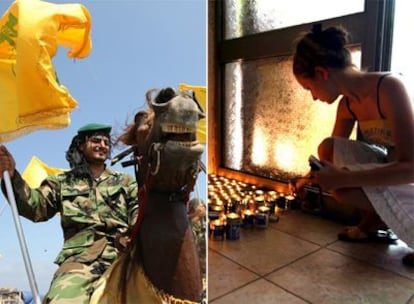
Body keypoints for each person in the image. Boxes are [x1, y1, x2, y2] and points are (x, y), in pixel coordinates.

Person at [292, 25, 414, 266]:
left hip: (408, 173)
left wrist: (344, 177)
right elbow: (328, 162)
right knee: (328, 150)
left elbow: (411, 167)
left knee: (341, 183)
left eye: (309, 88)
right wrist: (308, 179)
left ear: (322, 72)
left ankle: (377, 221)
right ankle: (376, 220)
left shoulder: (389, 88)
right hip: (391, 168)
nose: (313, 97)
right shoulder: (347, 106)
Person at [0, 123, 138, 303]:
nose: (102, 145)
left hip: (125, 256)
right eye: (96, 140)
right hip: (81, 260)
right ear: (81, 145)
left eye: (106, 142)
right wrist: (11, 176)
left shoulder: (125, 181)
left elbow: (138, 211)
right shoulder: (62, 182)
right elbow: (36, 208)